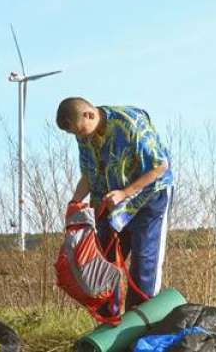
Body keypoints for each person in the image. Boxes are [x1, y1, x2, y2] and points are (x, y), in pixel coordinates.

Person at [56, 97, 173, 311]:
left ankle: (136, 327)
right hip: (112, 203)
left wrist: (125, 193)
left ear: (89, 115)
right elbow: (89, 175)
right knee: (102, 261)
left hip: (148, 199)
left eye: (80, 132)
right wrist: (74, 202)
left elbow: (160, 166)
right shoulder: (84, 135)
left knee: (143, 265)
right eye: (75, 134)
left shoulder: (130, 124)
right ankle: (109, 322)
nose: (79, 137)